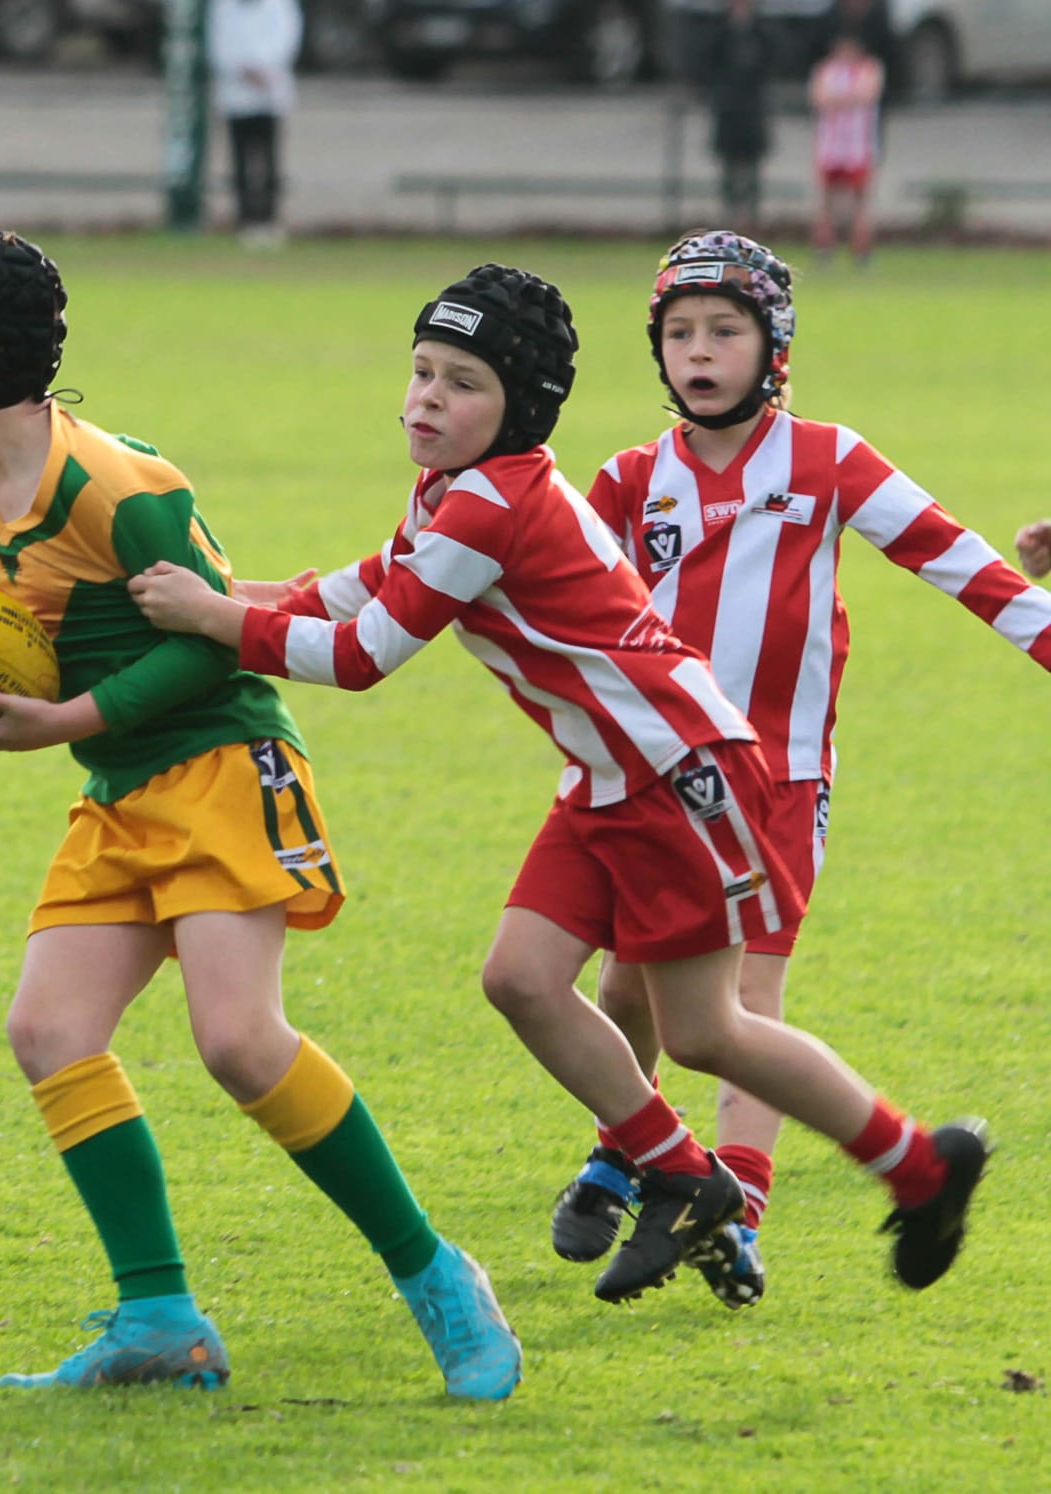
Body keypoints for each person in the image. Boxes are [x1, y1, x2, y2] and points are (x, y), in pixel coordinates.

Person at [128, 261, 991, 1307]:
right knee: (519, 979)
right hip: (603, 775)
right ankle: (675, 1169)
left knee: (705, 1029)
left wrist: (213, 618)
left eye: (459, 383)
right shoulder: (453, 492)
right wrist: (218, 593)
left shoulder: (494, 503)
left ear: (518, 408)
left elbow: (362, 650)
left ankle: (916, 1165)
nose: (425, 400)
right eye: (419, 372)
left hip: (677, 773)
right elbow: (356, 585)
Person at [0, 230, 520, 1398]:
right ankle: (159, 1320)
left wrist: (68, 713)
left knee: (237, 1040)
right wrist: (53, 709)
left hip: (225, 762)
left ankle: (436, 1275)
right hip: (122, 788)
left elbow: (211, 647)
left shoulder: (122, 490)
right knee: (49, 1031)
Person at [544, 230, 1045, 1307]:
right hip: (647, 775)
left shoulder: (823, 459)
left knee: (736, 1007)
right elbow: (542, 587)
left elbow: (952, 559)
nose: (698, 350)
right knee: (621, 981)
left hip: (774, 785)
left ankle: (739, 1214)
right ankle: (621, 1152)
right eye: (678, 332)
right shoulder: (630, 480)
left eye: (723, 329)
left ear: (771, 346)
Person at [206, 0, 302, 249]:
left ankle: (268, 220)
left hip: (270, 93)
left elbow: (287, 37)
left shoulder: (280, 5)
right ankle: (245, 221)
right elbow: (218, 45)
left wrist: (264, 68)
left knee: (269, 161)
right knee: (239, 162)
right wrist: (242, 70)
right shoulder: (223, 6)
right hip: (235, 95)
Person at [810, 25, 884, 265]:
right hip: (831, 146)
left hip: (858, 147)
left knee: (860, 200)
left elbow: (866, 95)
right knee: (826, 200)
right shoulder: (827, 70)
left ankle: (861, 249)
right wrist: (846, 99)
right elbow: (820, 98)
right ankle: (824, 248)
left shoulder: (868, 69)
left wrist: (840, 99)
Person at [708, 0, 773, 232]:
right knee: (728, 168)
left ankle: (752, 218)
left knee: (753, 168)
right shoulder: (720, 35)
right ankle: (729, 217)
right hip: (728, 109)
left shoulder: (761, 34)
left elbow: (772, 63)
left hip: (752, 110)